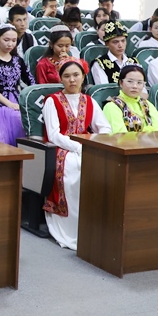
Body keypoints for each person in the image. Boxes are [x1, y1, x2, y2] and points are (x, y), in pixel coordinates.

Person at [41, 58, 111, 250]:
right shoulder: (52, 101)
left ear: (83, 77)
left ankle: (96, 228)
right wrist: (78, 147)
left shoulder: (89, 101)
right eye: (66, 76)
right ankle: (71, 228)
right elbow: (53, 134)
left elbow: (104, 127)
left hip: (87, 145)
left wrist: (94, 142)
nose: (72, 80)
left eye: (76, 75)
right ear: (60, 78)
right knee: (74, 168)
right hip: (61, 147)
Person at [0, 25, 35, 144]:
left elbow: (30, 80)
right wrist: (9, 104)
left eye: (14, 41)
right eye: (6, 40)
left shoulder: (18, 59)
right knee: (14, 117)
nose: (10, 44)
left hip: (17, 97)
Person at [102, 65, 158, 133]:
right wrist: (149, 131)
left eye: (139, 83)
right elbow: (119, 135)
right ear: (121, 83)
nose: (135, 86)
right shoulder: (112, 106)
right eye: (130, 81)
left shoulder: (147, 104)